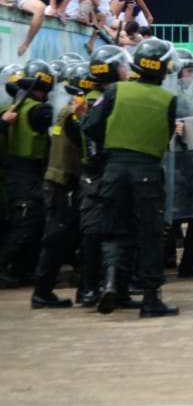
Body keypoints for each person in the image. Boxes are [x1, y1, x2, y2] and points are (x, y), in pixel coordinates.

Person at [81, 38, 179, 317]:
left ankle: (113, 285)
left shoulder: (114, 91)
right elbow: (166, 135)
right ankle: (150, 299)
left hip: (113, 170)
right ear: (164, 69)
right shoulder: (168, 100)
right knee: (150, 234)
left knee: (114, 230)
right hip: (147, 171)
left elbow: (89, 126)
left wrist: (112, 144)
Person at [30, 64, 92, 308]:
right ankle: (42, 291)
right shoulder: (70, 116)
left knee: (63, 236)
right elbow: (80, 142)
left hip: (59, 181)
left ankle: (47, 289)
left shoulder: (63, 113)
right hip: (62, 183)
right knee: (56, 238)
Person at [75, 45, 130, 307]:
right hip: (100, 173)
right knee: (100, 233)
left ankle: (93, 286)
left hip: (94, 174)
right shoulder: (105, 100)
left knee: (97, 233)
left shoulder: (91, 97)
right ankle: (90, 287)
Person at [0, 60, 54, 288]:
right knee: (27, 222)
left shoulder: (8, 110)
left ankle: (23, 269)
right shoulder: (37, 110)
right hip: (25, 172)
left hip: (14, 171)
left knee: (31, 221)